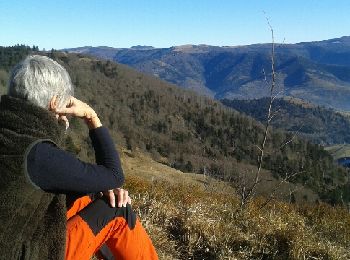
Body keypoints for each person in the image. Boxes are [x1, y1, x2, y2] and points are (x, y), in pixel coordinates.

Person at [0, 55, 158, 260]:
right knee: (117, 211)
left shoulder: (11, 132)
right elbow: (114, 175)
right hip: (20, 252)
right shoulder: (37, 155)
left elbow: (60, 179)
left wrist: (97, 192)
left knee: (87, 199)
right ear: (54, 102)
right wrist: (91, 117)